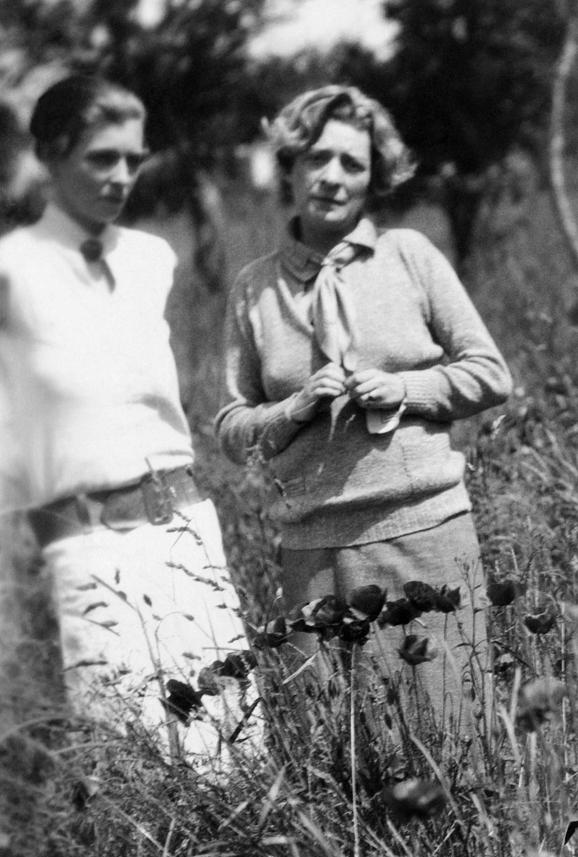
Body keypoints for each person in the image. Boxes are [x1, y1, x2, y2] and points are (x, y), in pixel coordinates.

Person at [215, 85, 512, 736]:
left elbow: (491, 373)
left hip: (425, 534)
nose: (332, 176)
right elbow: (232, 428)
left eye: (353, 163)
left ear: (374, 177)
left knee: (456, 739)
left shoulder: (410, 256)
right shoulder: (254, 288)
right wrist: (291, 408)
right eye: (318, 157)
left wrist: (404, 390)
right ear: (289, 165)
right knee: (342, 758)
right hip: (314, 554)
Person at [0, 74, 260, 767]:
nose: (121, 176)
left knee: (229, 752)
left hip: (184, 535)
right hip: (84, 547)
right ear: (53, 156)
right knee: (131, 771)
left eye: (133, 159)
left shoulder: (152, 260)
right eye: (100, 158)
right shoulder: (12, 272)